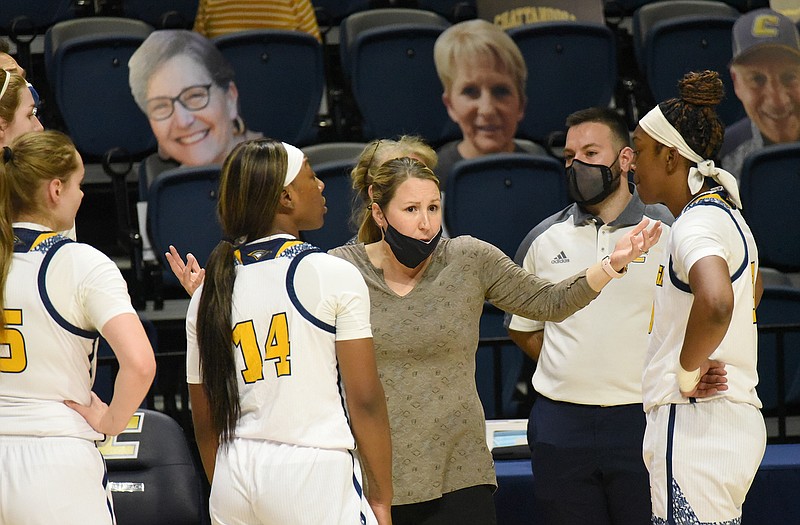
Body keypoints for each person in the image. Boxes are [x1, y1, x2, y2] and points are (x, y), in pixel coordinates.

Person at [329, 155, 661, 524]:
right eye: (410, 209)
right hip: (371, 477)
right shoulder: (339, 271)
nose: (425, 224)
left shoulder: (469, 257)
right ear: (379, 214)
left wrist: (610, 265)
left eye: (433, 208)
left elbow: (548, 301)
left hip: (460, 473)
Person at [185, 138, 393, 524]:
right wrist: (381, 497)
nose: (321, 185)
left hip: (234, 475)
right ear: (285, 198)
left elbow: (204, 420)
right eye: (311, 177)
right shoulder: (330, 273)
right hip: (311, 473)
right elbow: (364, 400)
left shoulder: (208, 292)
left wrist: (229, 486)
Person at [506, 107, 675, 524]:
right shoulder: (542, 239)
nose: (577, 164)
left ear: (625, 159)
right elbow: (522, 328)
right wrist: (571, 367)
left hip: (643, 416)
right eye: (569, 156)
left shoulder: (671, 230)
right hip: (561, 424)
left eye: (590, 152)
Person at [0, 130, 156, 524]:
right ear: (55, 189)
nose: (83, 195)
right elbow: (139, 364)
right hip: (55, 463)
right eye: (79, 184)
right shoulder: (82, 263)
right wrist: (110, 422)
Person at [631, 70, 765, 523]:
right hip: (732, 421)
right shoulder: (728, 213)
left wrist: (687, 372)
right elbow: (754, 289)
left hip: (694, 424)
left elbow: (719, 302)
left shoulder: (695, 223)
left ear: (671, 158)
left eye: (641, 151)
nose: (631, 163)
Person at [128, 29, 262, 189]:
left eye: (195, 96)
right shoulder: (171, 194)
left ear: (230, 98)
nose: (183, 121)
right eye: (161, 106)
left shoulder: (282, 179)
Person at [432, 18, 544, 193]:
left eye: (501, 91)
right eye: (470, 91)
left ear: (521, 104)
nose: (487, 109)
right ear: (450, 105)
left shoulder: (541, 170)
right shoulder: (433, 178)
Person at [720, 8, 800, 181]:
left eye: (789, 77)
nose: (777, 101)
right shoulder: (722, 158)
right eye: (757, 79)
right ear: (736, 83)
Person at [193, 0, 321, 41]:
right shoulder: (295, 1)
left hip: (227, 100)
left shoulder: (210, 1)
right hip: (286, 95)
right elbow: (313, 55)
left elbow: (195, 54)